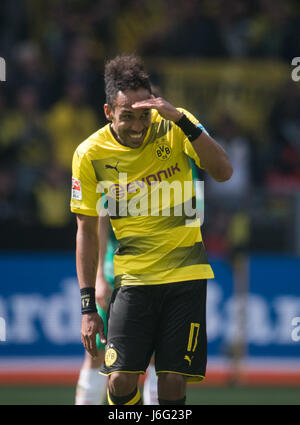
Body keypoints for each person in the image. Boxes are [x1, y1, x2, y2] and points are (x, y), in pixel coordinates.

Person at [70, 54, 232, 405]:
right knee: (120, 381)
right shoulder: (89, 153)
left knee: (172, 380)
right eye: (127, 116)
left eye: (144, 114)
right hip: (132, 280)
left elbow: (223, 172)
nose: (138, 126)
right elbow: (86, 228)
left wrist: (183, 121)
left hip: (185, 276)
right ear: (108, 111)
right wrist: (87, 306)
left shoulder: (175, 125)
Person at [75, 212, 158, 405]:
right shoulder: (113, 182)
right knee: (97, 354)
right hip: (117, 280)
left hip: (158, 279)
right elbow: (99, 223)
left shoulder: (185, 180)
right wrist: (99, 277)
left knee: (157, 359)